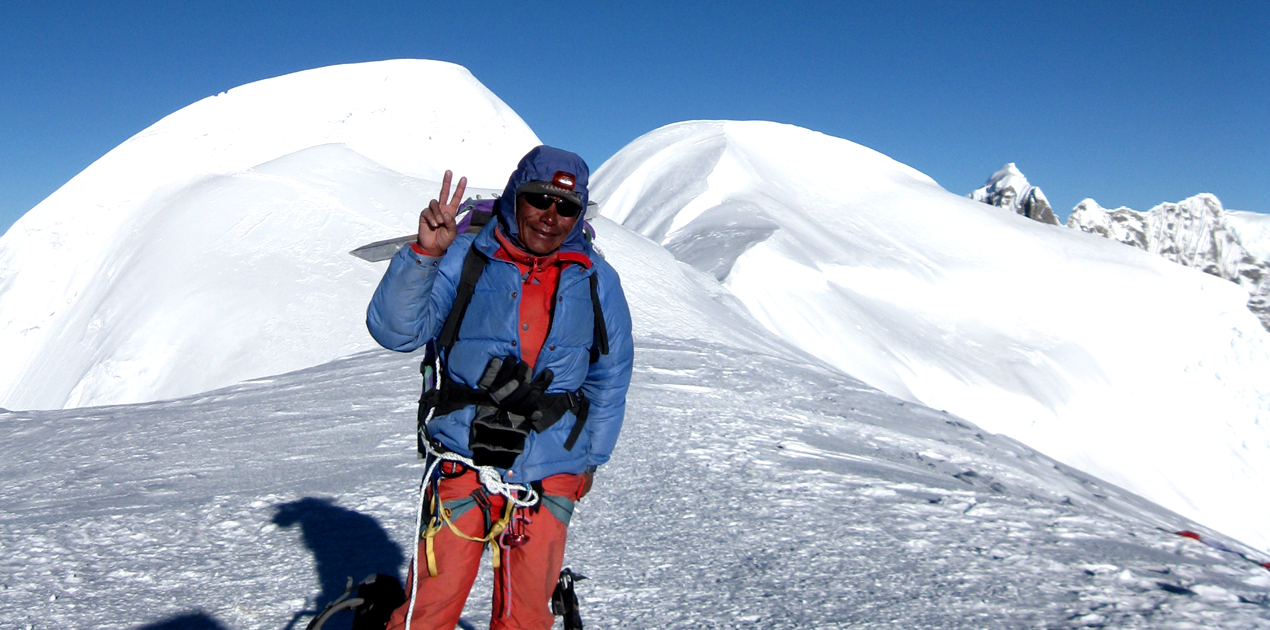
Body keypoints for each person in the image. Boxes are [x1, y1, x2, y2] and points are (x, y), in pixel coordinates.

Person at [366, 146, 634, 630]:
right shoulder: (466, 257)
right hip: (463, 457)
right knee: (428, 610)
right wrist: (426, 254)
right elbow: (396, 332)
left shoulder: (596, 278)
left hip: (551, 467)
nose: (551, 216)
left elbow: (610, 375)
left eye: (566, 207)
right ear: (515, 196)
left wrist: (592, 459)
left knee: (526, 618)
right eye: (539, 199)